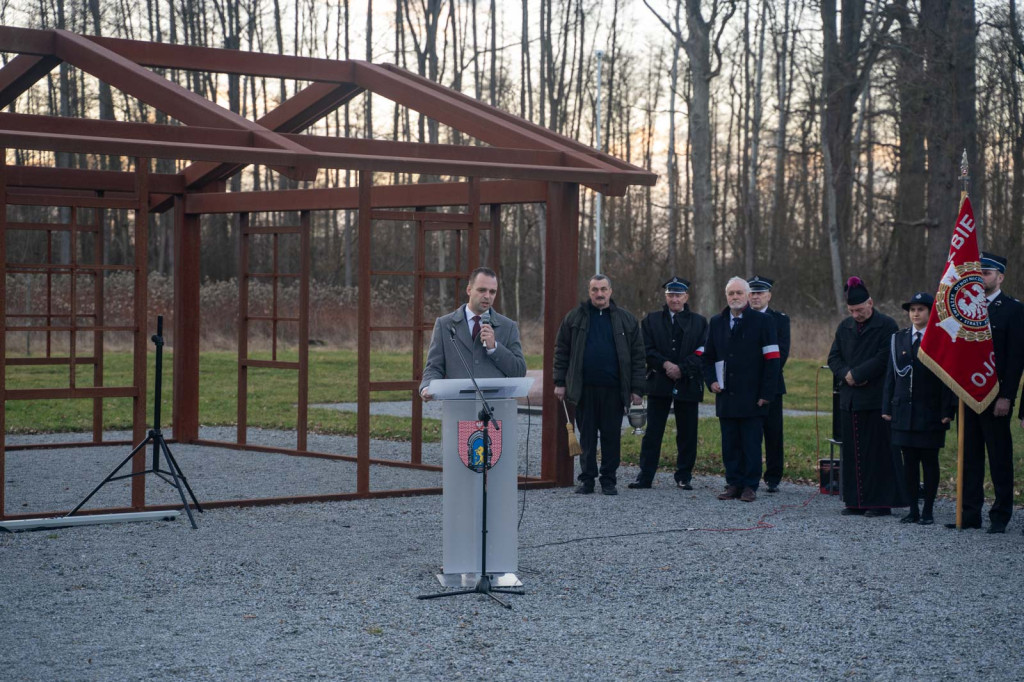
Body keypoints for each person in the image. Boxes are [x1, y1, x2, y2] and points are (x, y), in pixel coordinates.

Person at [553, 274, 645, 496]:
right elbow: (561, 350)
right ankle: (587, 480)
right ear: (589, 292)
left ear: (611, 291)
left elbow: (638, 356)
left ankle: (608, 480)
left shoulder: (626, 320)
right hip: (584, 390)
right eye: (595, 289)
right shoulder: (574, 318)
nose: (599, 294)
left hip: (614, 390)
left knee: (611, 436)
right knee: (587, 437)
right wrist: (559, 382)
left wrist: (637, 389)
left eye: (603, 289)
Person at [956, 252, 1024, 533]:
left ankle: (1000, 515)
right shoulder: (965, 308)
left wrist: (1007, 396)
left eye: (986, 273)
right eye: (978, 273)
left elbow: (1016, 358)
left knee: (999, 458)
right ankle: (970, 514)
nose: (981, 277)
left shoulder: (1013, 310)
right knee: (969, 457)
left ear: (1000, 277)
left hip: (995, 396)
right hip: (968, 393)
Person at [827, 276, 906, 517]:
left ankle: (880, 502)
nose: (856, 315)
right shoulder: (845, 327)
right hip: (850, 399)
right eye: (852, 310)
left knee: (877, 453)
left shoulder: (887, 325)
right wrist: (846, 375)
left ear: (870, 303)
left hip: (874, 398)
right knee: (851, 453)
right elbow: (834, 357)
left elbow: (884, 357)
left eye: (860, 310)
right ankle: (855, 500)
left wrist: (859, 374)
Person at [701, 276, 780, 503]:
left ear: (747, 295)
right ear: (726, 296)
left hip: (752, 396)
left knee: (751, 443)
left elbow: (772, 359)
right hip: (726, 395)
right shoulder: (717, 321)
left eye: (739, 293)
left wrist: (766, 393)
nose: (735, 297)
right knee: (730, 443)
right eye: (731, 294)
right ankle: (733, 483)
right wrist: (711, 382)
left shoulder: (763, 322)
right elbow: (707, 357)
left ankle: (750, 485)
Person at [881, 292, 955, 526]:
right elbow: (891, 376)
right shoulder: (898, 339)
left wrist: (947, 411)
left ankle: (929, 510)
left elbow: (947, 379)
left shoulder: (940, 338)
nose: (915, 313)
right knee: (909, 463)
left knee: (929, 461)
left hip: (930, 411)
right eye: (912, 309)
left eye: (920, 309)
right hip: (904, 410)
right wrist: (887, 406)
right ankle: (912, 508)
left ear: (930, 312)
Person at [629, 277, 708, 490]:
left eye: (678, 295)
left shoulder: (699, 322)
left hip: (688, 381)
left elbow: (702, 351)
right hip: (658, 381)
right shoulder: (651, 320)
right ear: (666, 297)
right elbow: (646, 349)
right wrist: (665, 365)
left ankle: (684, 476)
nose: (674, 298)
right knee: (653, 431)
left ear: (686, 297)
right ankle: (645, 476)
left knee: (687, 432)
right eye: (671, 295)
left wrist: (682, 368)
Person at [419, 267, 526, 399]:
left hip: (495, 409)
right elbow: (434, 367)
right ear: (469, 290)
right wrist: (427, 387)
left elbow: (519, 371)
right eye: (482, 290)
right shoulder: (445, 324)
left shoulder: (508, 327)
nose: (487, 296)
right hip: (458, 408)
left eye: (492, 292)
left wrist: (495, 348)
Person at [747, 275, 790, 492]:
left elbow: (781, 354)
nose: (755, 297)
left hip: (771, 384)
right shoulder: (739, 317)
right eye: (752, 293)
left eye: (759, 293)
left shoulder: (780, 320)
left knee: (773, 433)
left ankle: (773, 478)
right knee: (747, 432)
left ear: (768, 296)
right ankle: (745, 475)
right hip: (744, 387)